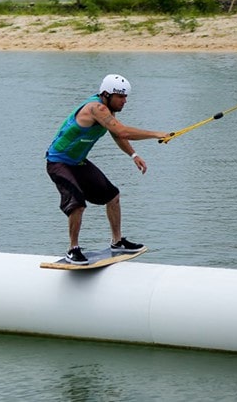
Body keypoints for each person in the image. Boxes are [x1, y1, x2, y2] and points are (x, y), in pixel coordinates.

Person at [45, 74, 169, 265]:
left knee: (112, 196)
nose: (124, 101)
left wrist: (134, 155)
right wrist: (156, 134)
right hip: (58, 162)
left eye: (126, 97)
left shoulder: (108, 111)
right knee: (77, 203)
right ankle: (73, 249)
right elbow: (122, 131)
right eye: (120, 97)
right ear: (106, 95)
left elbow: (117, 134)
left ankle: (117, 242)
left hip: (77, 162)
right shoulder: (97, 108)